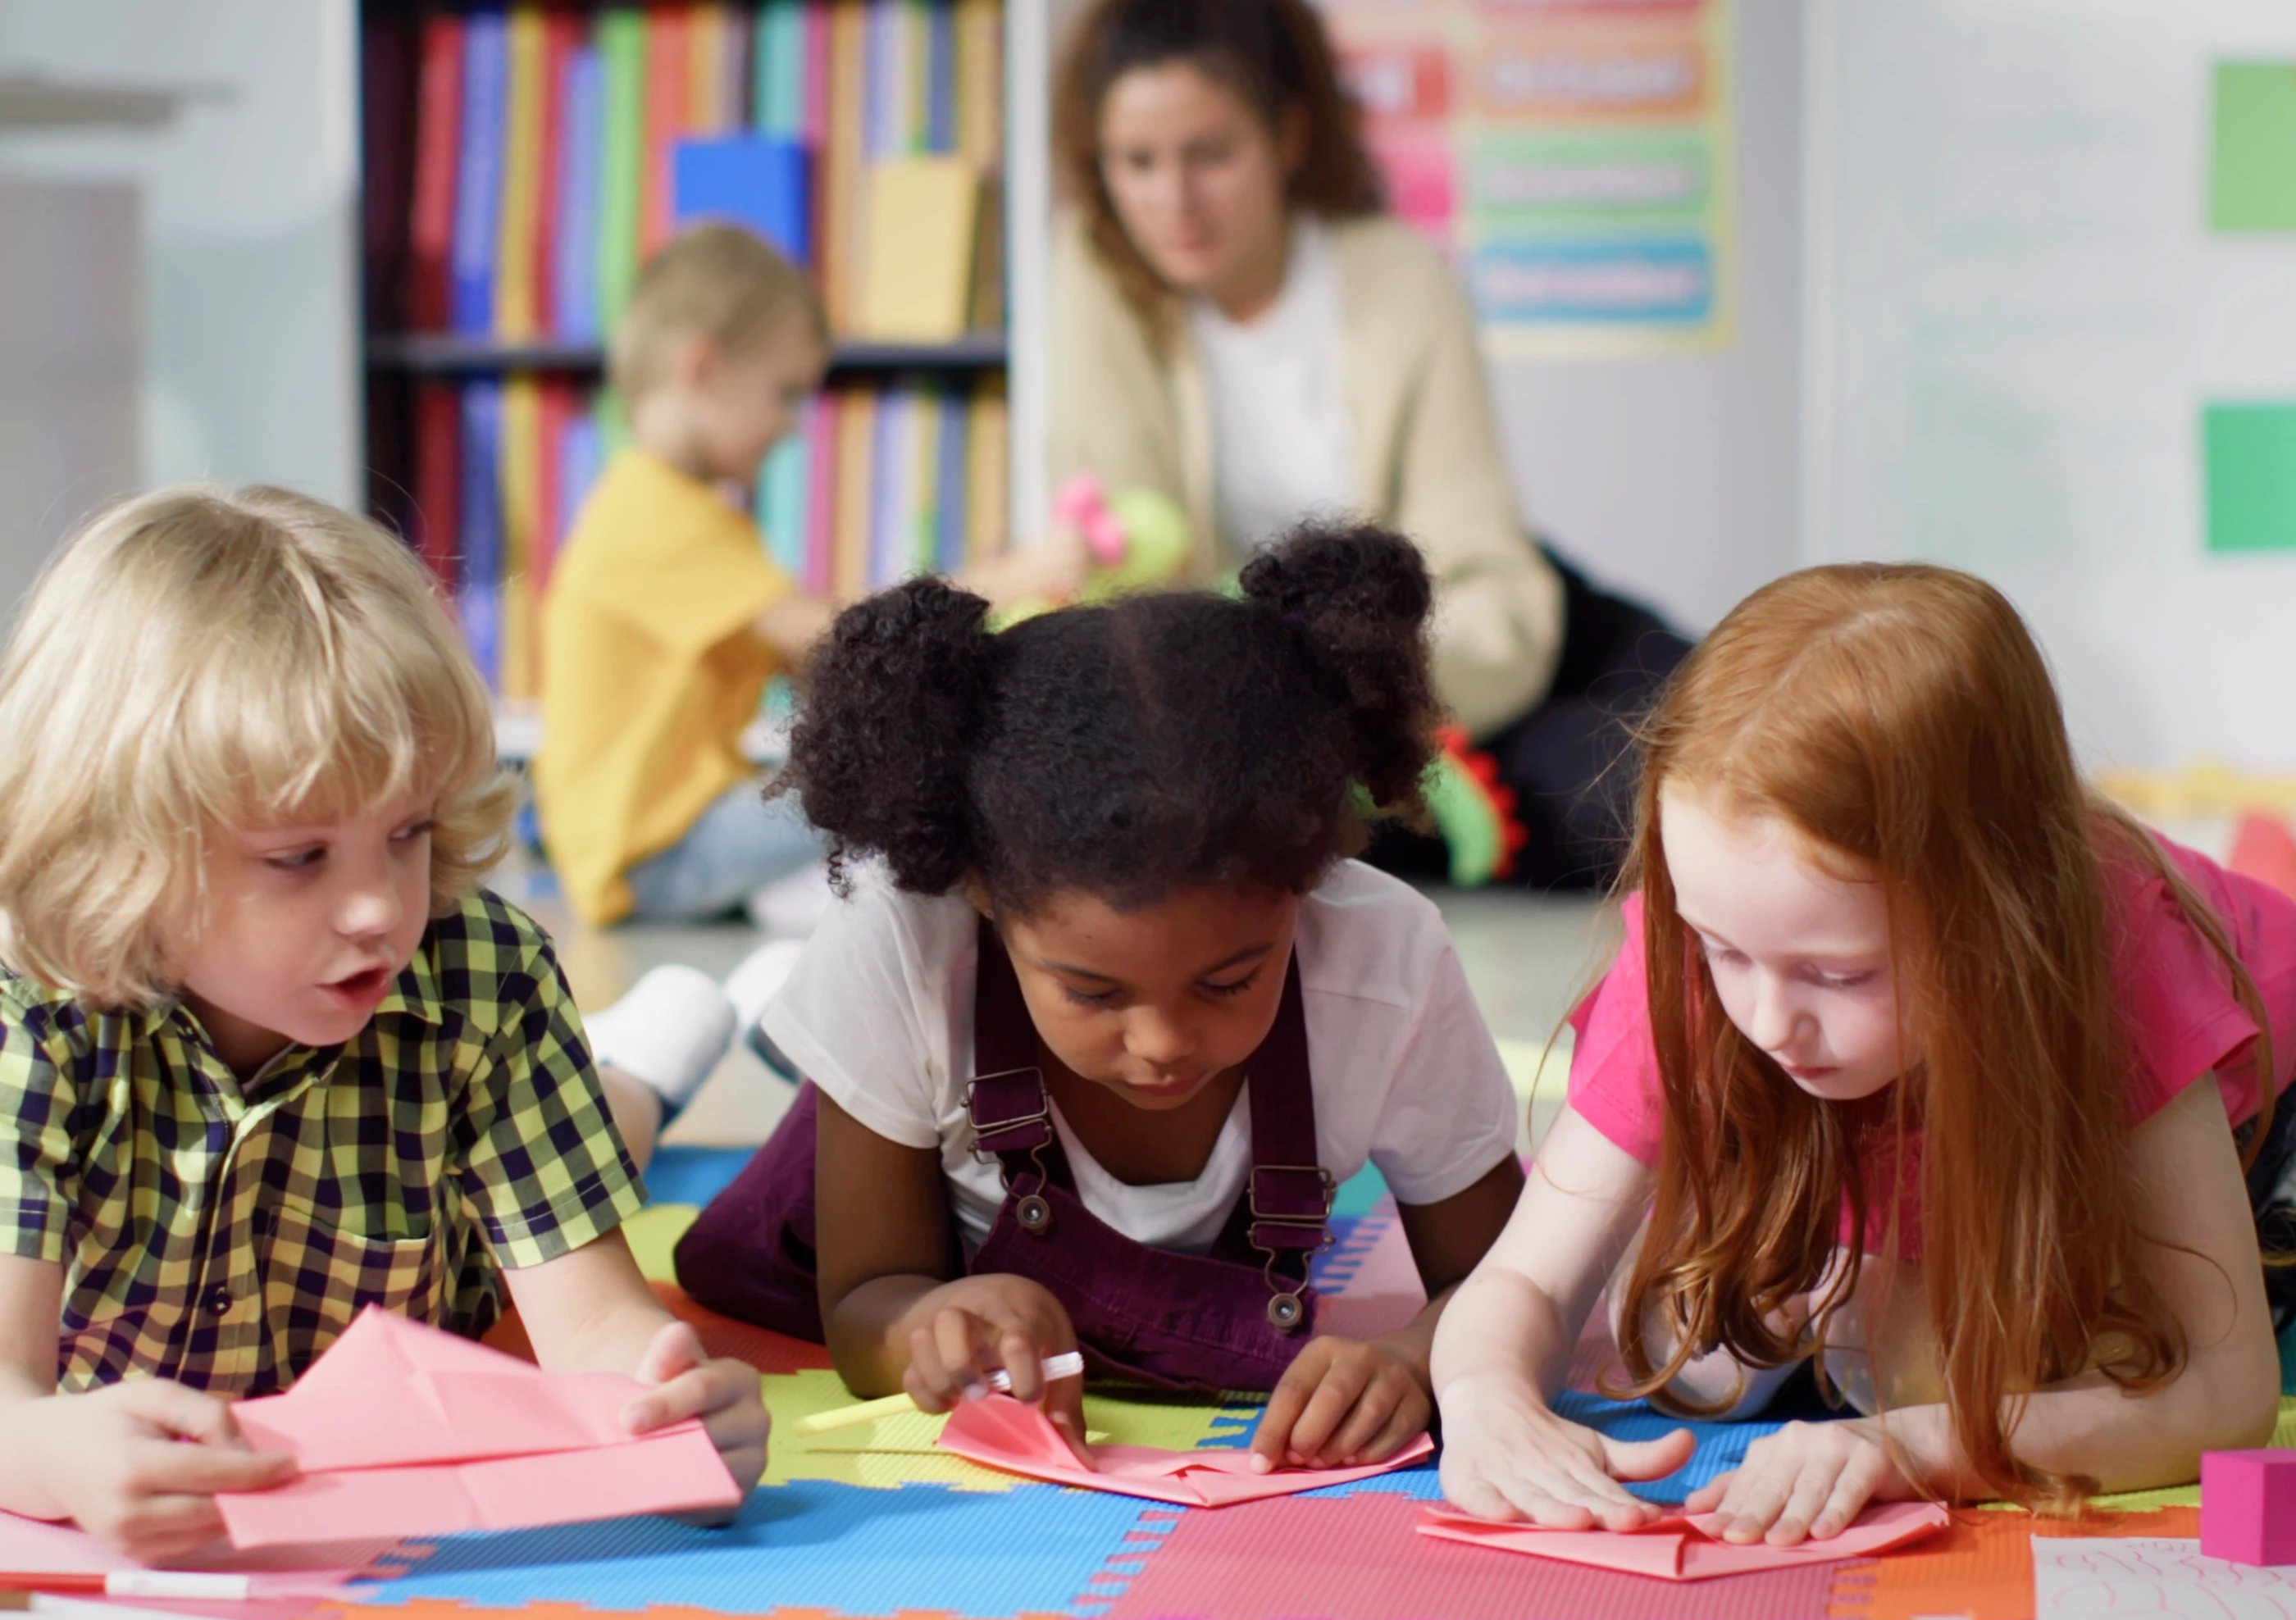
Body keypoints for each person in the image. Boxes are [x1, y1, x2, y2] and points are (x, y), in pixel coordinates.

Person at [1432, 563, 2296, 1544]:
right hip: (1909, 1114)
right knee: (1694, 1342)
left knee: (1970, 1372)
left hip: (2254, 1116)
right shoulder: (1707, 938)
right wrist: (1483, 1401)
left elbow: (2224, 1396)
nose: (1768, 1019)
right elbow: (1527, 1282)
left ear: (1992, 925)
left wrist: (1908, 1449)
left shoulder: (2115, 960)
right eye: (1723, 952)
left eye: (1837, 976)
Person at [0, 485, 768, 1563]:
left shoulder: (480, 974)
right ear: (123, 848)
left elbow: (593, 1325)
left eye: (407, 834)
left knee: (601, 1133)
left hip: (447, 1278)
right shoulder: (30, 1017)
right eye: (299, 858)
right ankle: (637, 1058)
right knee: (610, 1114)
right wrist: (52, 1457)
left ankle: (642, 1059)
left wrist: (671, 1403)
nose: (379, 910)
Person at [675, 523, 1526, 1470]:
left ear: (1309, 884)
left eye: (1232, 979)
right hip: (850, 1185)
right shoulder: (900, 942)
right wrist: (928, 1321)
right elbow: (865, 1298)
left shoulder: (1385, 962)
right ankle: (663, 1048)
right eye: (1091, 990)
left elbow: (1514, 1279)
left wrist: (1417, 1358)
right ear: (983, 898)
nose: (1162, 1042)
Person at [1048, 0, 1691, 890]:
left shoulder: (1396, 276)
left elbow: (1495, 588)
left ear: (1289, 133)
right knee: (1638, 810)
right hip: (1313, 715)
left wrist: (1364, 687)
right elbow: (1133, 588)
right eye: (1138, 162)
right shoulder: (1094, 278)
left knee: (1732, 734)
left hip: (1470, 636)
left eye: (1211, 154)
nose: (1173, 200)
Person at [536, 222, 1084, 928]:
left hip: (676, 836)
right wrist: (1007, 578)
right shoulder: (653, 515)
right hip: (656, 856)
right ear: (704, 370)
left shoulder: (669, 507)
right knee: (894, 785)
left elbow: (811, 671)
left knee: (877, 776)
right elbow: (839, 638)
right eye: (785, 393)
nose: (792, 427)